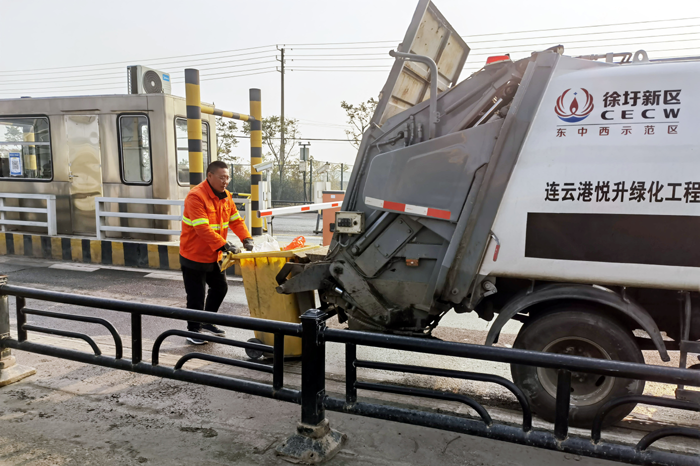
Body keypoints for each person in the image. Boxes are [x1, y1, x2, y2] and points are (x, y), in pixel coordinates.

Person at [180, 161, 255, 344]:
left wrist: (246, 238)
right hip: (194, 255)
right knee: (196, 296)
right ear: (209, 176)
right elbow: (202, 228)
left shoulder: (226, 196)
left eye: (227, 177)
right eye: (221, 177)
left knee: (220, 288)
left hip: (214, 255)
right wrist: (225, 245)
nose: (225, 181)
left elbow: (235, 219)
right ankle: (193, 331)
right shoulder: (196, 196)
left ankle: (207, 321)